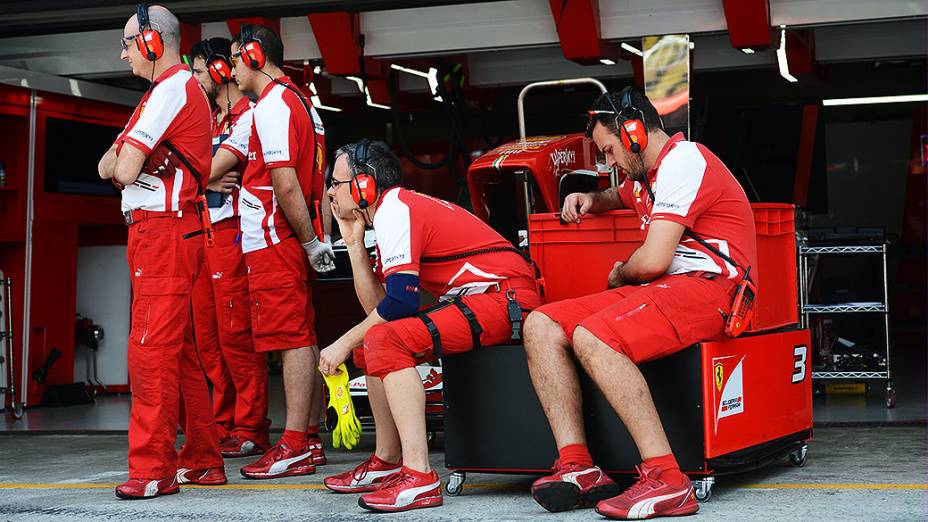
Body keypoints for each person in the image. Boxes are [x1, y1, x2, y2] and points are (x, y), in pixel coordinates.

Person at [522, 87, 757, 519]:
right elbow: (625, 195)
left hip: (715, 289)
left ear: (633, 131)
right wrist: (592, 200)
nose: (608, 162)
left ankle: (668, 480)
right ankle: (578, 467)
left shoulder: (685, 160)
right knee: (540, 324)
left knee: (594, 337)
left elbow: (650, 262)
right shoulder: (649, 175)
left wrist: (619, 274)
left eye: (608, 150)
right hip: (671, 288)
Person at [318, 140, 542, 513]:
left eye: (337, 183)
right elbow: (379, 307)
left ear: (364, 185)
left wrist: (339, 343)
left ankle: (419, 477)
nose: (329, 191)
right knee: (371, 344)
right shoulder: (394, 210)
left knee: (382, 341)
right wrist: (354, 245)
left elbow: (400, 304)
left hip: (507, 300)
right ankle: (387, 462)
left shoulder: (395, 210)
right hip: (490, 299)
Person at [97, 4, 225, 499]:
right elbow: (106, 161)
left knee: (149, 352)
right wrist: (125, 157)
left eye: (128, 42)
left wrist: (127, 157)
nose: (123, 52)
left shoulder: (170, 89)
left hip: (163, 234)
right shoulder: (164, 92)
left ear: (153, 43)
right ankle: (203, 460)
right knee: (184, 355)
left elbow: (122, 170)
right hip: (175, 232)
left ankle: (153, 470)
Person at [229, 23, 333, 479]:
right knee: (302, 336)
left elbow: (285, 181)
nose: (230, 70)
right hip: (293, 238)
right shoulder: (303, 103)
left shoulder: (272, 104)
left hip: (275, 239)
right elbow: (323, 183)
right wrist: (317, 240)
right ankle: (307, 438)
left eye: (234, 59)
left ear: (254, 55)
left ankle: (294, 445)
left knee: (290, 339)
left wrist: (311, 241)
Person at [188, 37, 272, 458]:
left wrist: (199, 177)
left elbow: (196, 171)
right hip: (201, 235)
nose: (196, 79)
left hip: (233, 236)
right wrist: (204, 179)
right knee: (207, 338)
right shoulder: (204, 119)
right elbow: (185, 172)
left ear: (222, 70)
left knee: (237, 334)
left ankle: (251, 426)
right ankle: (222, 422)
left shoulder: (250, 113)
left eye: (201, 71)